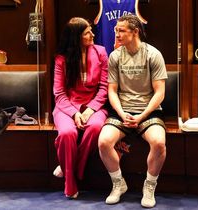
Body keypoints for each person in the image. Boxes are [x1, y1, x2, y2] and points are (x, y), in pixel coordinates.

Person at [98, 14, 168, 208]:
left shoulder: (153, 54)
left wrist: (142, 116)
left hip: (148, 111)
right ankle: (118, 183)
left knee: (159, 142)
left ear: (135, 31)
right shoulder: (115, 56)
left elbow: (160, 92)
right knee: (103, 142)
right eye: (116, 30)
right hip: (122, 111)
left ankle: (150, 185)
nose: (117, 34)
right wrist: (121, 114)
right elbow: (112, 90)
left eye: (121, 30)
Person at [53, 17, 109, 199]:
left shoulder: (101, 52)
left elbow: (104, 87)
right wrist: (75, 113)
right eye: (87, 33)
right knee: (67, 134)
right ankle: (70, 183)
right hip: (67, 106)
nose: (93, 34)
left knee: (95, 128)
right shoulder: (62, 59)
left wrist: (91, 109)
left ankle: (72, 170)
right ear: (76, 37)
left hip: (95, 106)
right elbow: (59, 93)